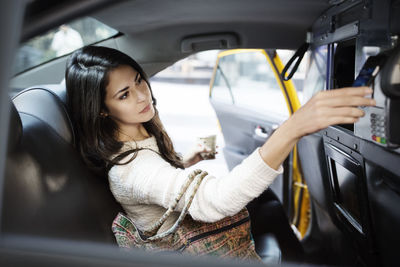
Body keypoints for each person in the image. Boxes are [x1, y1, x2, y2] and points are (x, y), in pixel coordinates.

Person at [65, 45, 375, 256]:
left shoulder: (138, 137)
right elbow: (211, 202)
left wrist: (188, 160)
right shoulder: (130, 169)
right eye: (124, 94)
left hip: (188, 229)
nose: (142, 95)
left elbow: (157, 184)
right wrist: (293, 128)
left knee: (266, 201)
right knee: (263, 204)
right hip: (192, 249)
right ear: (101, 109)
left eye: (138, 81)